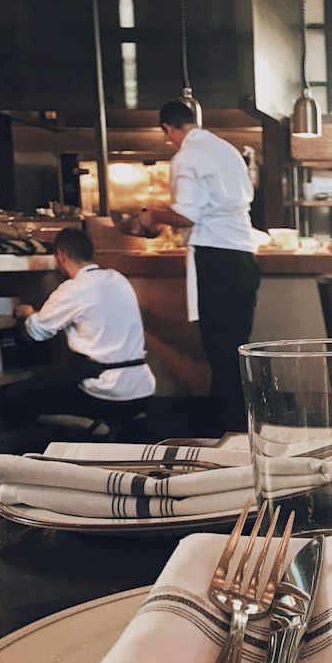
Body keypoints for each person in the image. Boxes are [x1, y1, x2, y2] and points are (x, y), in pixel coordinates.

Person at [137, 101, 258, 434]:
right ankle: (226, 420)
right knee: (235, 345)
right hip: (243, 254)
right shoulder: (227, 150)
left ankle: (232, 426)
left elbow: (187, 214)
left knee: (222, 348)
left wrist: (153, 214)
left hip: (216, 255)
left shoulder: (187, 157)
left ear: (169, 129)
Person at [13, 228, 155, 423]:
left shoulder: (74, 288)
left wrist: (26, 312)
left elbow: (36, 332)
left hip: (105, 394)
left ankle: (91, 429)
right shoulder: (119, 279)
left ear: (60, 256)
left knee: (20, 401)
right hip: (142, 391)